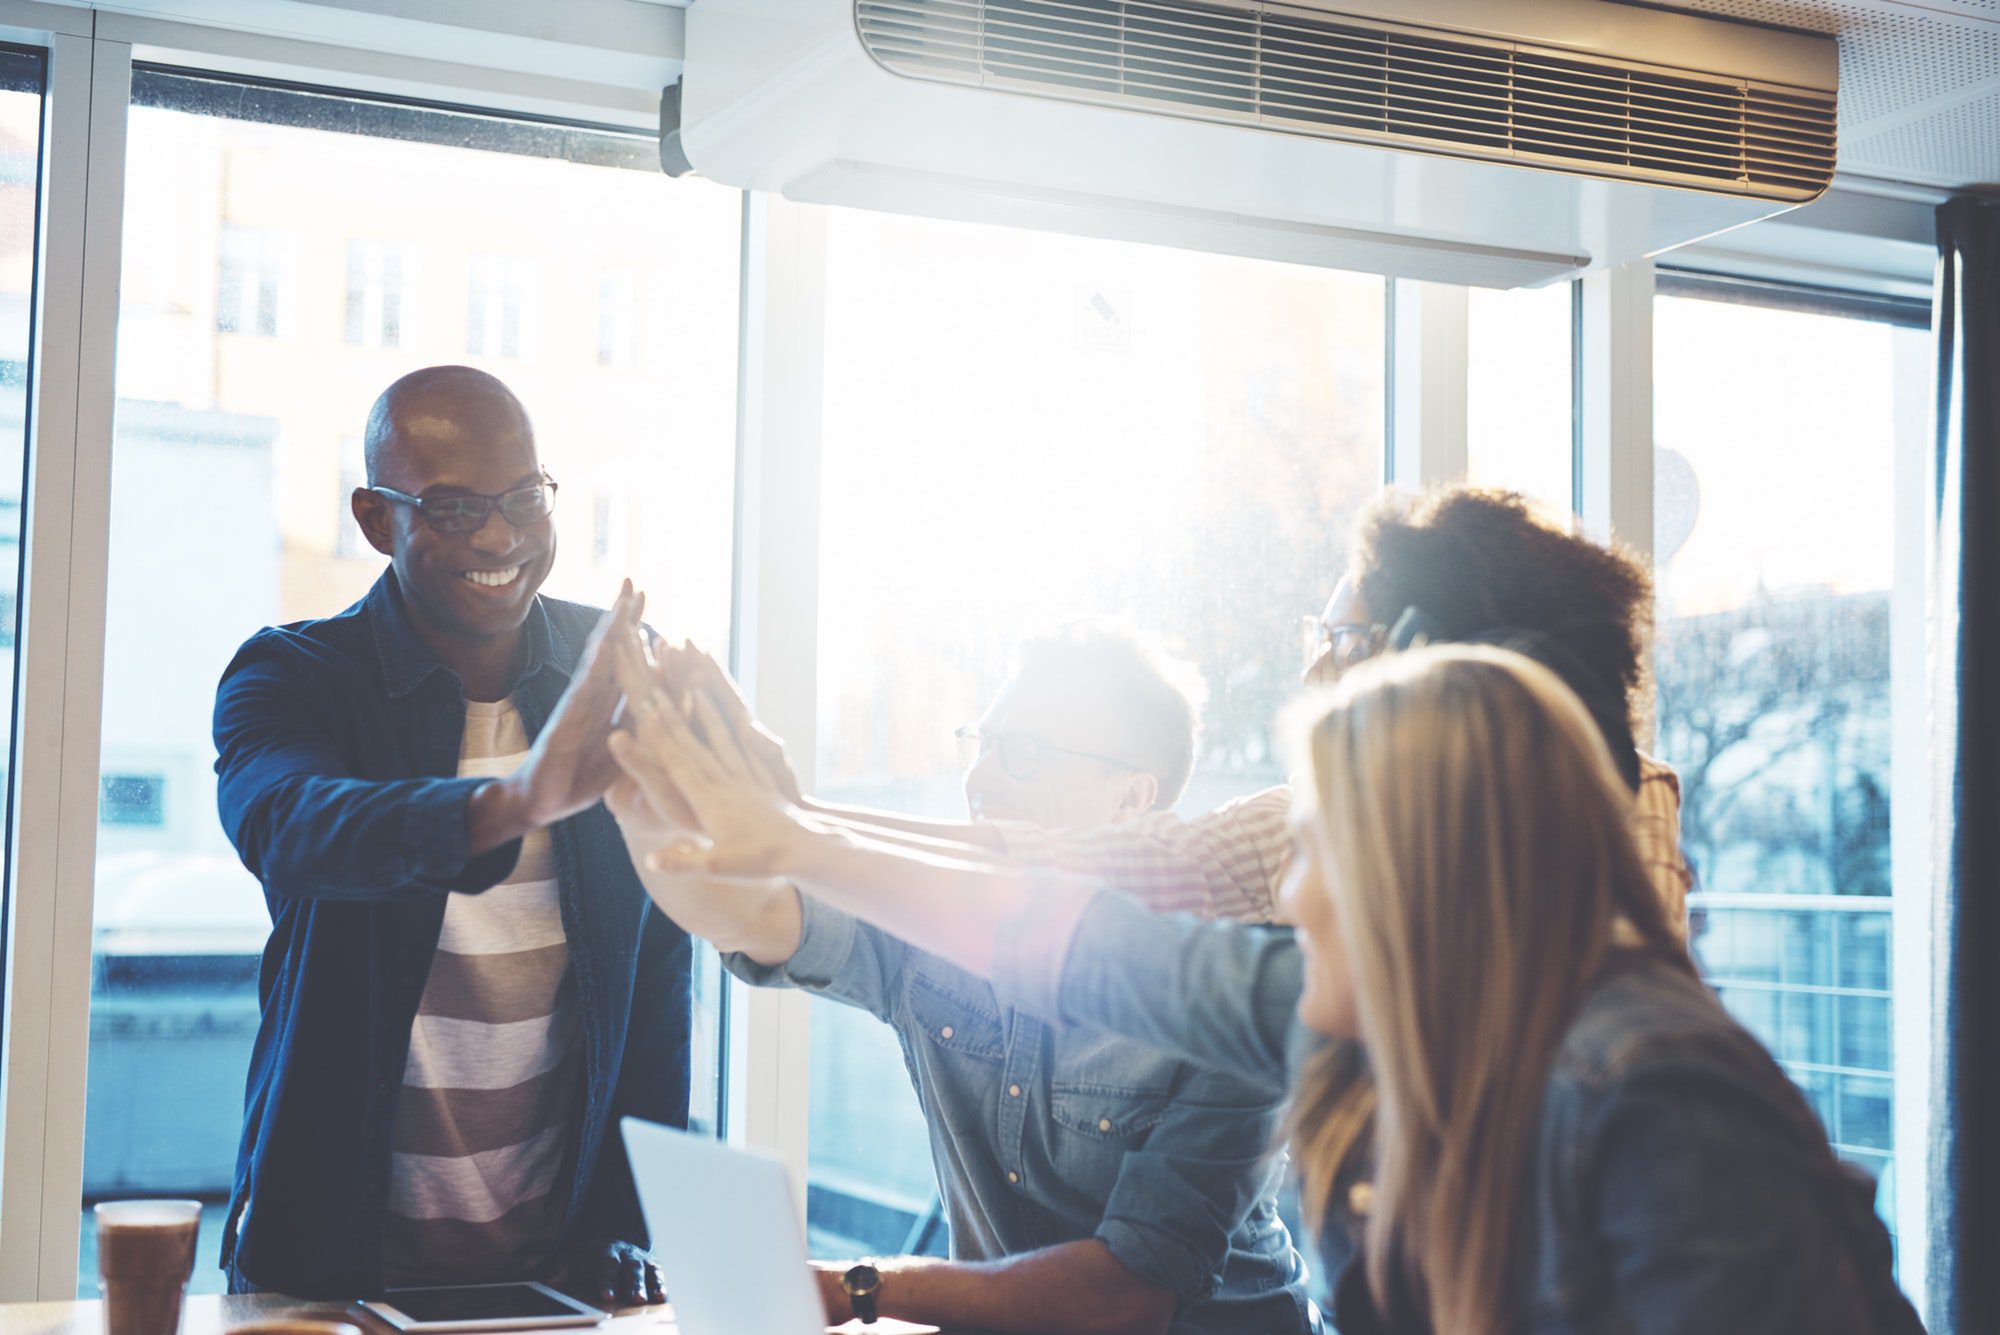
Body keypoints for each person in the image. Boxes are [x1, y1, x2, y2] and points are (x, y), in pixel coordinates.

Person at [609, 642, 1924, 1335]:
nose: (1289, 896)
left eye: (1321, 857)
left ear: (1436, 878)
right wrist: (772, 825)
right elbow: (1068, 936)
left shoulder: (1654, 1089)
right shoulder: (1335, 1006)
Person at [605, 625, 1317, 1335]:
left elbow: (1129, 1296)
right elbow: (750, 911)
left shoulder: (1227, 995)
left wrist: (851, 1286)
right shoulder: (932, 926)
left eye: (1023, 754)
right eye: (982, 744)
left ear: (1130, 801)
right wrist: (636, 786)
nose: (979, 779)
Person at [696, 485, 1691, 932]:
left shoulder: (1620, 819)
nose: (1312, 678)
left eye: (1340, 644)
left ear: (1445, 660)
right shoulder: (1320, 829)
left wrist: (794, 830)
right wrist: (795, 821)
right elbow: (1108, 865)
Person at [212, 366, 686, 1302]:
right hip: (326, 1270)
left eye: (522, 499)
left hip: (560, 1279)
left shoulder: (614, 676)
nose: (503, 536)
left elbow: (658, 977)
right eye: (456, 509)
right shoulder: (295, 676)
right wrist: (516, 799)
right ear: (374, 519)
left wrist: (633, 1228)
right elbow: (289, 824)